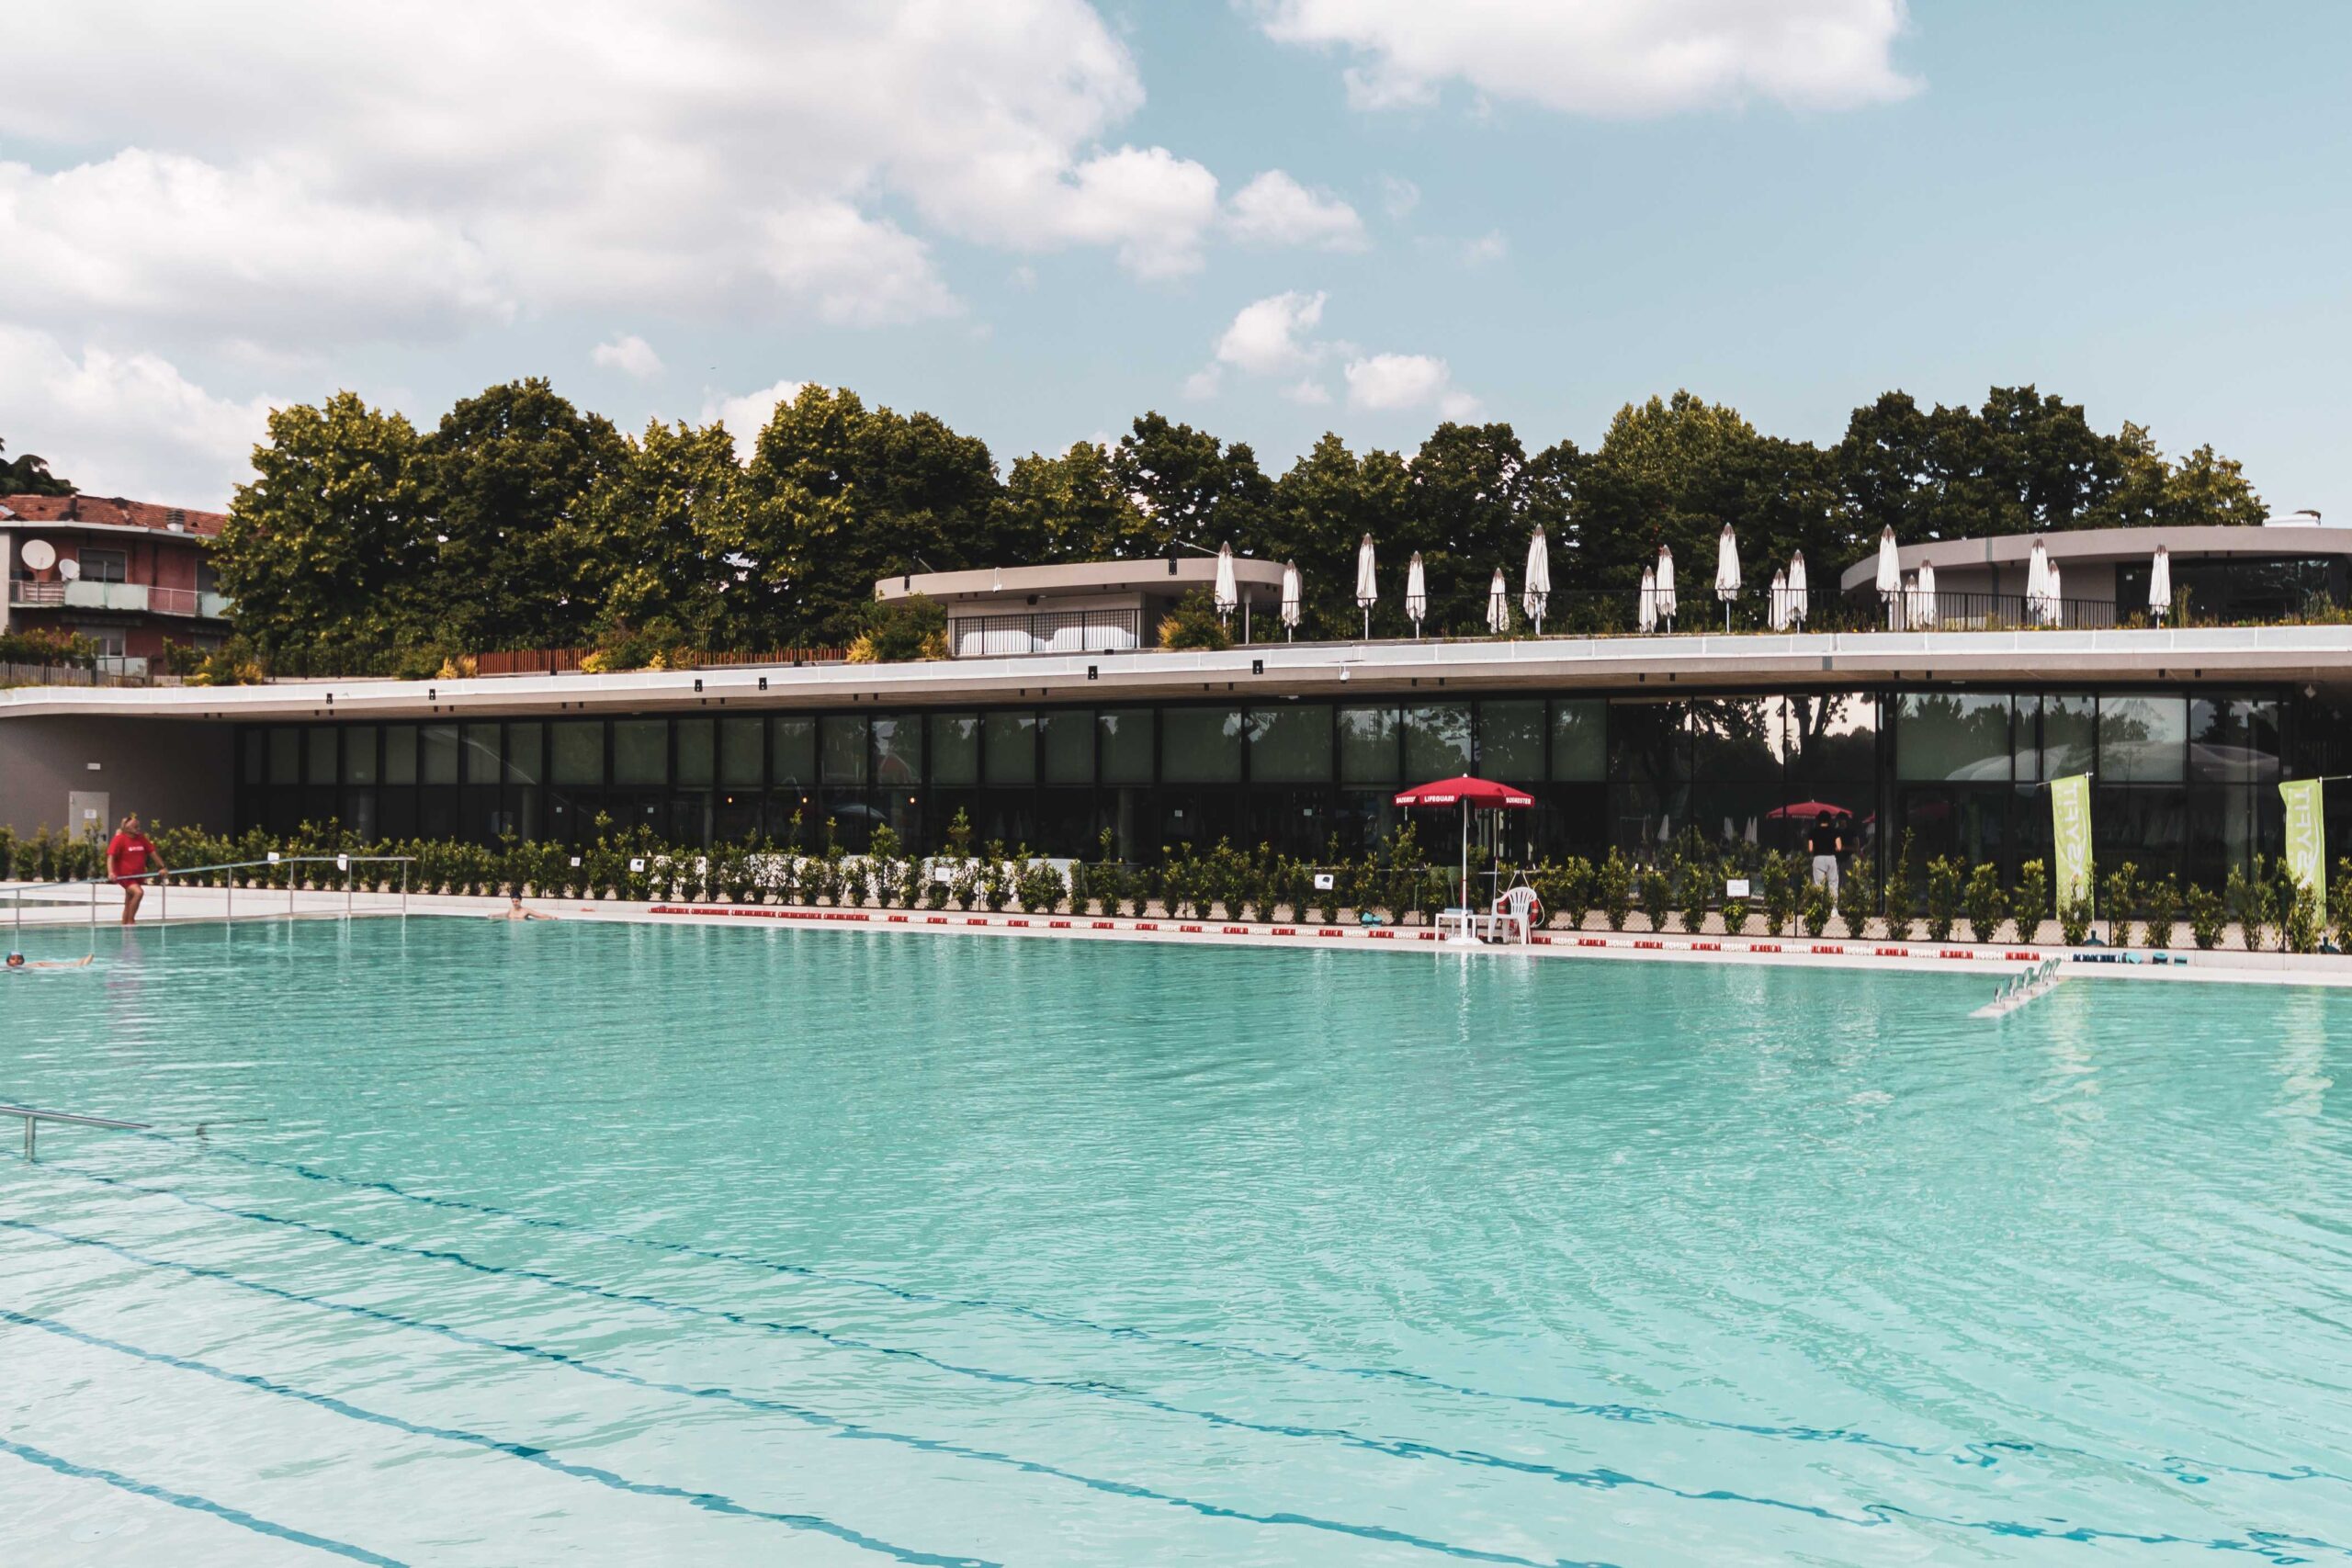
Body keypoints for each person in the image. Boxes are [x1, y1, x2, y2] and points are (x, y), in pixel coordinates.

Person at [105, 812, 166, 924]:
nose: (138, 829)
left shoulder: (141, 838)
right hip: (125, 876)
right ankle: (131, 921)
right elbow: (110, 856)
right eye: (135, 827)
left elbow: (153, 853)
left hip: (138, 876)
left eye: (138, 826)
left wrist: (162, 867)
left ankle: (125, 926)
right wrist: (110, 872)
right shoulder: (119, 839)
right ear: (127, 828)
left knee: (128, 902)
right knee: (139, 893)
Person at [1806, 810, 1845, 896]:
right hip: (1831, 858)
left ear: (1818, 820)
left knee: (1818, 884)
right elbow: (1839, 847)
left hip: (1818, 858)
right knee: (1833, 884)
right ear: (1829, 820)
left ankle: (1818, 903)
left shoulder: (1813, 832)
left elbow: (1810, 849)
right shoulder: (1835, 831)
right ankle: (1833, 904)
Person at [486, 895, 557, 921]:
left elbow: (539, 915)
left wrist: (551, 917)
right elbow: (505, 914)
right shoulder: (511, 910)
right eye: (513, 901)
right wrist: (494, 915)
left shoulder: (526, 910)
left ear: (520, 901)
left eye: (516, 901)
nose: (515, 903)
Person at [7, 952, 94, 969]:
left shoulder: (21, 967)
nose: (16, 960)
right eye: (13, 959)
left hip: (38, 964)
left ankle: (76, 964)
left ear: (23, 961)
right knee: (41, 964)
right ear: (8, 962)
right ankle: (78, 964)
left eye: (19, 959)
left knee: (41, 963)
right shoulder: (7, 968)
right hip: (37, 965)